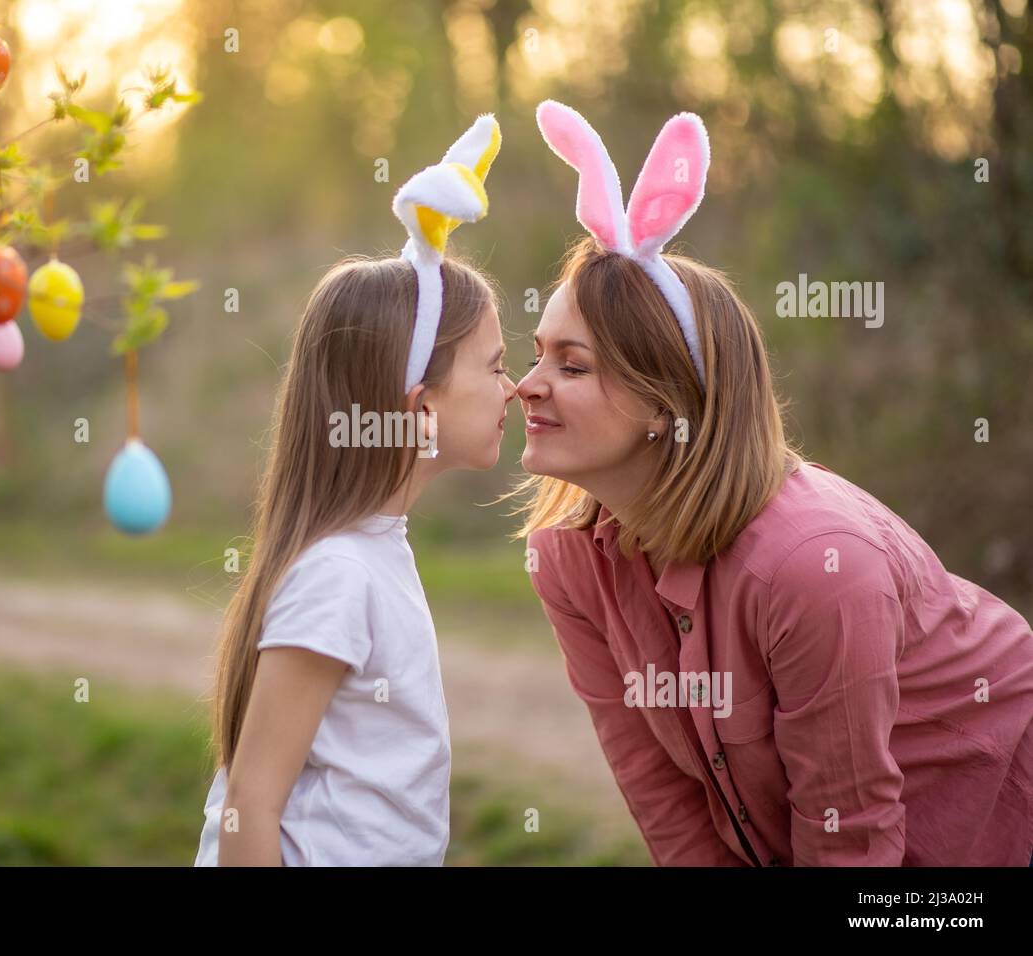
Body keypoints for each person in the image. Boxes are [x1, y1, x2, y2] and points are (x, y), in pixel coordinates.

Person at [514, 101, 1033, 866]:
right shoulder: (566, 561)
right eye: (535, 355)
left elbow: (849, 841)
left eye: (571, 365)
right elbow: (664, 799)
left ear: (666, 401)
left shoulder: (813, 568)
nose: (527, 385)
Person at [195, 116, 516, 865]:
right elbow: (251, 805)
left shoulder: (374, 552)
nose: (514, 388)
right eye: (495, 366)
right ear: (421, 405)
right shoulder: (338, 575)